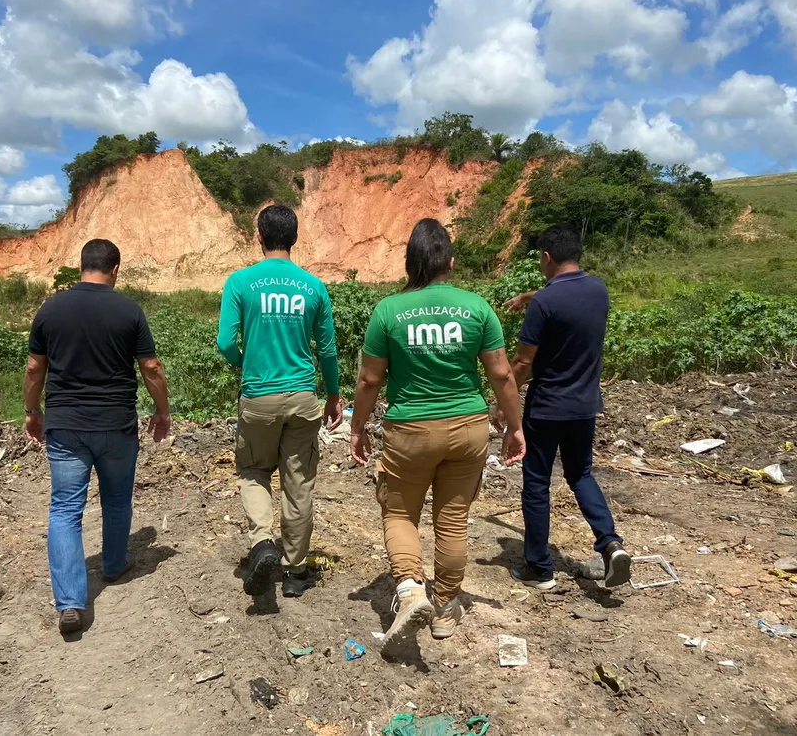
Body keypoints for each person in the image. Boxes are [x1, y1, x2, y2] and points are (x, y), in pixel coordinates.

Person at [350, 219, 525, 648]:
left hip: (410, 431)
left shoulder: (388, 311)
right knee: (452, 519)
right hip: (468, 429)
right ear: (449, 260)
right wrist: (515, 426)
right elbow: (501, 373)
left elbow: (370, 381)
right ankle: (445, 609)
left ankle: (410, 591)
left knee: (399, 512)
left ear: (411, 262)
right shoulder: (477, 308)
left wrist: (358, 427)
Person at [24, 238, 172, 635]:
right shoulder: (128, 310)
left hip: (66, 426)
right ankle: (113, 565)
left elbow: (35, 369)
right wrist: (162, 411)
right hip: (116, 424)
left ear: (81, 266)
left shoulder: (51, 308)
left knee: (64, 510)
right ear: (115, 269)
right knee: (118, 497)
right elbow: (152, 367)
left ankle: (71, 602)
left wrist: (31, 411)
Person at [217, 204, 342, 599]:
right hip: (303, 397)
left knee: (253, 470)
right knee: (298, 483)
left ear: (259, 237)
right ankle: (295, 571)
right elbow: (327, 351)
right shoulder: (313, 287)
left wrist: (247, 363)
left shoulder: (240, 282)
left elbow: (225, 342)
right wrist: (335, 394)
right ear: (295, 238)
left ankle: (262, 543)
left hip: (258, 397)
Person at [505, 225, 631, 591]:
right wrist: (529, 296)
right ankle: (610, 544)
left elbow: (522, 363)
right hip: (585, 407)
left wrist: (504, 399)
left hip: (546, 408)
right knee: (580, 475)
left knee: (537, 484)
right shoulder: (599, 290)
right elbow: (560, 294)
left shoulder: (545, 303)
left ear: (546, 258)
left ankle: (539, 568)